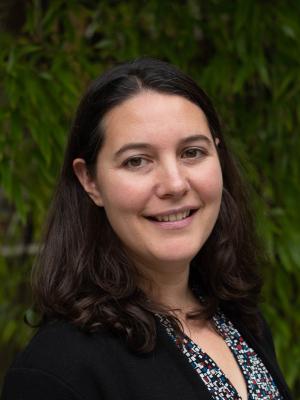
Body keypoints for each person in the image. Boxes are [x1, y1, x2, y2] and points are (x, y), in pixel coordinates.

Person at [1, 58, 292, 400]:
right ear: (90, 180)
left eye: (192, 152)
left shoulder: (242, 321)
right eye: (137, 160)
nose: (174, 184)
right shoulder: (57, 370)